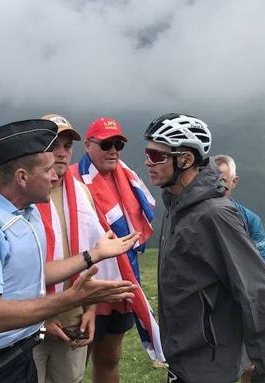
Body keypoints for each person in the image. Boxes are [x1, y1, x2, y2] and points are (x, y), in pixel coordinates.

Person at [0, 119, 141, 383]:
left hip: (19, 350)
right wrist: (72, 298)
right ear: (22, 177)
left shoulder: (26, 213)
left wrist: (92, 256)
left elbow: (37, 273)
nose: (56, 175)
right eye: (47, 170)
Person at [143, 113, 265, 383]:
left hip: (208, 365)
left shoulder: (214, 215)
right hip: (183, 359)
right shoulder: (175, 205)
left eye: (156, 155)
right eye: (147, 153)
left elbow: (259, 293)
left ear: (185, 159)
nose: (147, 162)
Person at [70, 117, 163, 383]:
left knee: (110, 357)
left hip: (123, 280)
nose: (113, 150)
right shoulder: (73, 178)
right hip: (88, 283)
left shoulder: (127, 178)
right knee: (76, 362)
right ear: (88, 145)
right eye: (106, 144)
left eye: (119, 144)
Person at [32, 114, 104, 383]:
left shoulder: (83, 194)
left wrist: (91, 312)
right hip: (31, 324)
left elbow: (94, 253)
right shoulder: (23, 196)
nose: (61, 153)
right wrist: (40, 323)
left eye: (66, 146)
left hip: (73, 323)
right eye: (53, 145)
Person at [212, 154, 265, 274]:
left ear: (234, 182)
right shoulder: (193, 216)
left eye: (222, 181)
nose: (216, 187)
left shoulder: (250, 220)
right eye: (210, 181)